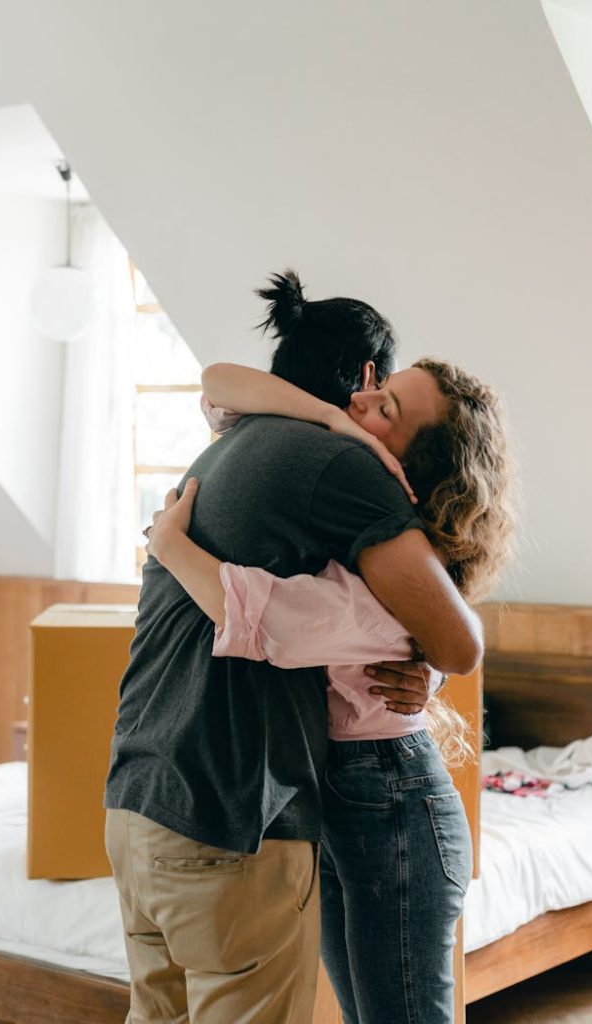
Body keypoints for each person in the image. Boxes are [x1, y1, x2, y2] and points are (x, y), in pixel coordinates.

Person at [104, 270, 483, 1024]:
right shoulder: (330, 466)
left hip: (154, 797)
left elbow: (405, 634)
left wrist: (168, 542)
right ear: (365, 372)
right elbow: (373, 628)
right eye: (375, 390)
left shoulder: (248, 452)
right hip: (240, 809)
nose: (364, 407)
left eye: (388, 408)